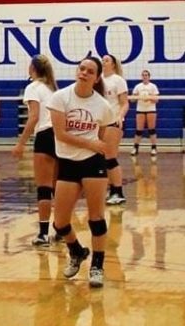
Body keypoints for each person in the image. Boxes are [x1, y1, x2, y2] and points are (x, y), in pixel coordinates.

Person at [47, 56, 114, 289]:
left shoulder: (102, 106)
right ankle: (76, 251)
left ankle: (97, 266)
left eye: (89, 71)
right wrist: (91, 144)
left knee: (96, 217)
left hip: (92, 163)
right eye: (81, 68)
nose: (84, 72)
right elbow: (61, 134)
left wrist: (97, 148)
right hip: (67, 162)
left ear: (96, 78)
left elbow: (103, 132)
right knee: (60, 222)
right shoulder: (60, 97)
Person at [12, 54, 58, 246]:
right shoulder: (52, 88)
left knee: (44, 188)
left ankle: (43, 234)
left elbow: (33, 117)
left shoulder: (33, 87)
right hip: (59, 136)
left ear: (33, 69)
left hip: (45, 136)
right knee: (58, 188)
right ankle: (62, 229)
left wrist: (21, 143)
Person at [101, 54, 128, 205]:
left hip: (113, 121)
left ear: (113, 64)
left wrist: (120, 116)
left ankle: (118, 192)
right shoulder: (98, 79)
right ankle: (110, 190)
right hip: (100, 122)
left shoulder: (118, 80)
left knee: (110, 157)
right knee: (102, 159)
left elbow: (125, 103)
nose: (103, 62)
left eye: (106, 60)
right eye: (102, 60)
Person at [130, 69, 160, 157]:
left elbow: (157, 100)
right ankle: (135, 148)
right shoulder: (138, 86)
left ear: (149, 77)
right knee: (139, 130)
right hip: (140, 109)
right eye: (143, 75)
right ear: (141, 76)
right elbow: (132, 100)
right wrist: (137, 97)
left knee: (152, 129)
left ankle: (154, 148)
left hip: (151, 109)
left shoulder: (153, 86)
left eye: (146, 75)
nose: (145, 76)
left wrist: (149, 98)